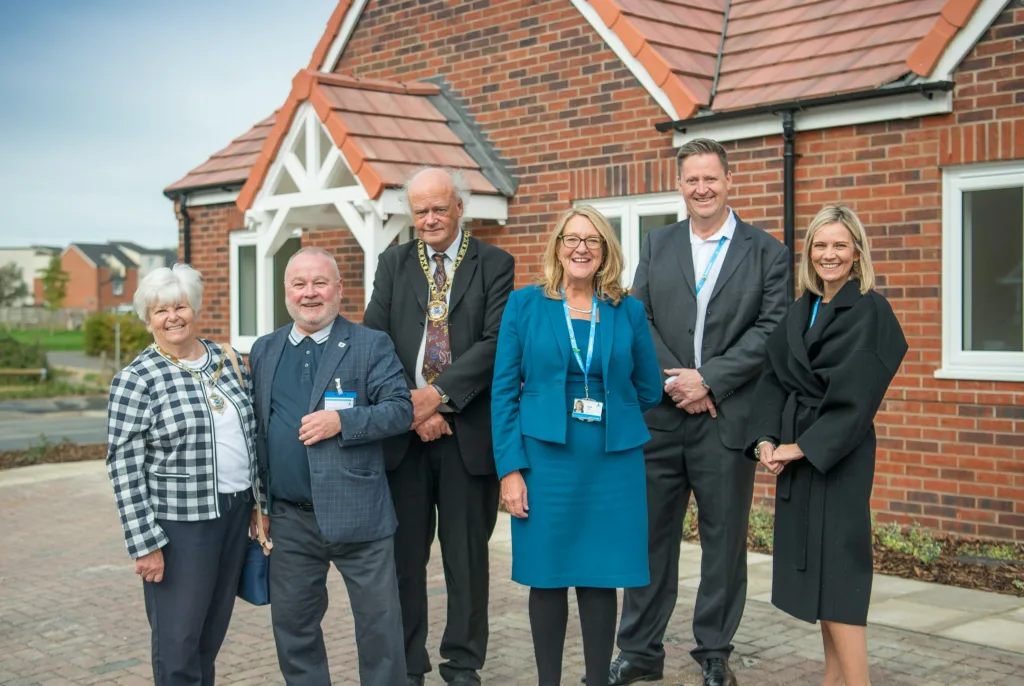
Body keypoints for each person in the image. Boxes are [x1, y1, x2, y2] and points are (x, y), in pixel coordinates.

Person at [611, 138, 789, 686]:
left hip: (724, 419)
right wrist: (678, 382)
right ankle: (639, 650)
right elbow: (638, 318)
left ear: (728, 180)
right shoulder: (658, 242)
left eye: (711, 178)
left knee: (723, 540)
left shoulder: (767, 251)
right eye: (691, 180)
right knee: (650, 540)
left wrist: (709, 379)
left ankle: (714, 651)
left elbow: (772, 329)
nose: (701, 188)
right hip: (662, 419)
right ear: (680, 185)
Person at [491, 206, 662, 686]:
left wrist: (614, 410)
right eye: (571, 239)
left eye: (592, 240)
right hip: (545, 462)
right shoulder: (525, 305)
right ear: (558, 247)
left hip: (611, 462)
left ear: (606, 250)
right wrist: (510, 470)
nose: (580, 248)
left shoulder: (626, 309)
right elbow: (504, 392)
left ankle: (595, 680)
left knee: (599, 576)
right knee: (546, 576)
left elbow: (648, 387)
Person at [362, 166, 515, 686]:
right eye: (420, 210)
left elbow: (495, 344)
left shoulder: (495, 264)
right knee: (404, 561)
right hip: (404, 437)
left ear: (459, 208)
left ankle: (463, 663)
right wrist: (412, 409)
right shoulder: (393, 262)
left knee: (466, 561)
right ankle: (409, 665)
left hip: (466, 436)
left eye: (438, 208)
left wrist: (438, 400)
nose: (429, 219)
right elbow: (374, 341)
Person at [746, 205, 907, 686]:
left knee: (840, 582)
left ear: (856, 251)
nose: (829, 255)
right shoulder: (802, 308)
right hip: (798, 455)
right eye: (820, 245)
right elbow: (773, 377)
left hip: (839, 457)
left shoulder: (871, 309)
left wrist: (800, 448)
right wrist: (766, 439)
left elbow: (858, 398)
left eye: (839, 245)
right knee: (818, 583)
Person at [248, 247, 412, 686]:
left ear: (339, 289)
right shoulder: (265, 349)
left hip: (359, 513)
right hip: (291, 519)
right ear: (286, 292)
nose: (309, 293)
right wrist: (258, 502)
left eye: (320, 283)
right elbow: (258, 432)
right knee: (294, 630)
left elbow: (400, 410)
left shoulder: (369, 343)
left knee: (380, 632)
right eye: (299, 284)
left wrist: (343, 421)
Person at [106, 264, 258, 686]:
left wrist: (258, 506)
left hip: (234, 514)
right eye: (160, 311)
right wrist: (144, 545)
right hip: (179, 528)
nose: (172, 317)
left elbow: (252, 437)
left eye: (180, 306)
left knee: (210, 636)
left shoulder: (228, 361)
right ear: (148, 319)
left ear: (195, 309)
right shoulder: (137, 380)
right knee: (178, 641)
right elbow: (123, 466)